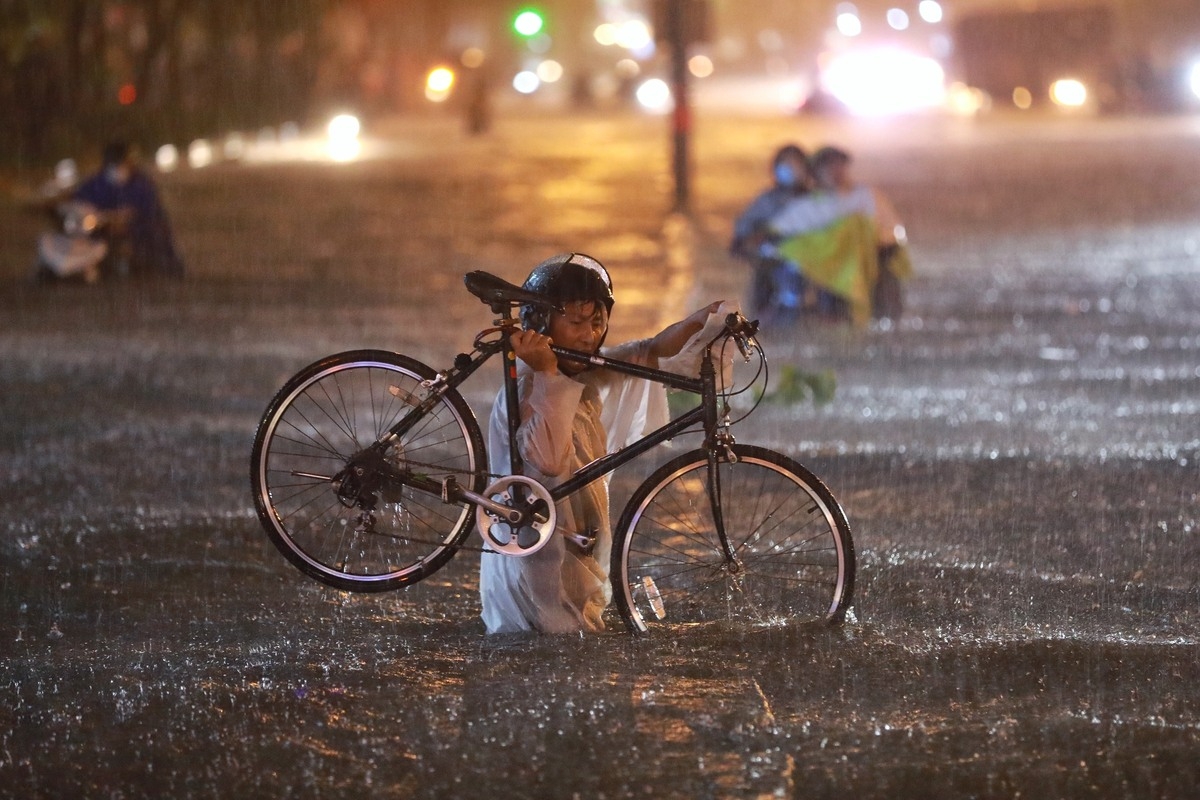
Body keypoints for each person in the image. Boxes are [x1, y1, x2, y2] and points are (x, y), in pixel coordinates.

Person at [480, 253, 723, 634]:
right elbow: (545, 461)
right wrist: (545, 372)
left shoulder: (580, 368)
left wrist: (702, 320)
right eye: (575, 323)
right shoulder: (529, 384)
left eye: (596, 323)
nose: (588, 335)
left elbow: (650, 350)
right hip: (531, 574)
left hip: (568, 559)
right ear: (542, 324)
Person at [808, 146, 909, 321]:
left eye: (840, 166)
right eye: (829, 167)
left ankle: (882, 314)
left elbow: (890, 227)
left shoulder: (867, 195)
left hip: (868, 257)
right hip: (828, 263)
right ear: (817, 172)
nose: (836, 172)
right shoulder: (809, 203)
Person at [73, 141, 185, 278]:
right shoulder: (96, 183)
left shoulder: (140, 184)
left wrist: (129, 218)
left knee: (156, 243)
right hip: (102, 230)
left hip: (139, 232)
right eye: (114, 164)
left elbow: (150, 212)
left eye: (122, 164)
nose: (118, 169)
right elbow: (79, 201)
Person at [729, 144, 811, 324]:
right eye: (785, 164)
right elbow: (743, 230)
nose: (791, 169)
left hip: (806, 264)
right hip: (771, 263)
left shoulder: (814, 200)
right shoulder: (766, 200)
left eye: (795, 164)